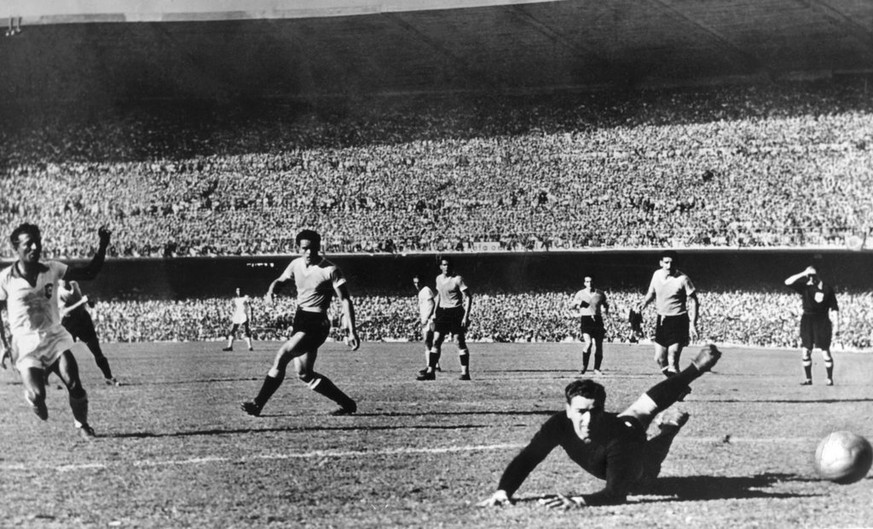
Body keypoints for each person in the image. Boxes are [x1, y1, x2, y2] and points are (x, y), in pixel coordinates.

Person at [477, 344, 722, 509]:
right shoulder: (559, 425)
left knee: (644, 474)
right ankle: (694, 371)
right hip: (623, 427)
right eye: (580, 412)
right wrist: (503, 490)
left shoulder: (621, 441)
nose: (587, 420)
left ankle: (669, 430)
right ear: (568, 410)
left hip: (631, 447)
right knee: (640, 409)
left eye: (594, 412)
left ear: (603, 411)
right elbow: (529, 457)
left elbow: (616, 493)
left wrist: (579, 500)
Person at [0, 223, 111, 439]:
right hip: (25, 344)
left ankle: (83, 425)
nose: (34, 246)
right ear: (16, 248)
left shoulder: (52, 269)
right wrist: (3, 345)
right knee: (38, 394)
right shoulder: (5, 278)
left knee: (74, 383)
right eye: (28, 243)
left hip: (53, 337)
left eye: (37, 242)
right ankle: (34, 399)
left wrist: (103, 245)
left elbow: (89, 272)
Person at [241, 229, 360, 417]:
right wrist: (272, 291)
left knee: (282, 356)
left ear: (318, 247)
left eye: (313, 248)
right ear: (299, 248)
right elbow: (280, 281)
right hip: (300, 319)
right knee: (304, 373)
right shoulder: (295, 264)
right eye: (305, 248)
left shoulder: (330, 270)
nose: (309, 252)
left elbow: (345, 300)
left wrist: (352, 331)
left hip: (316, 322)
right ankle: (347, 404)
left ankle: (258, 403)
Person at [638, 250, 699, 377]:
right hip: (662, 320)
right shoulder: (656, 275)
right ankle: (680, 386)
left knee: (672, 358)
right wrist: (643, 303)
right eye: (666, 262)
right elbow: (651, 293)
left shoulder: (683, 279)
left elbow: (694, 301)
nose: (669, 266)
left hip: (678, 320)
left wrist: (693, 324)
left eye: (672, 262)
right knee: (659, 359)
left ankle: (676, 392)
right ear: (661, 263)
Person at [416, 256, 473, 381]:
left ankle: (465, 373)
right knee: (436, 341)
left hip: (456, 312)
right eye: (444, 265)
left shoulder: (458, 279)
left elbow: (468, 297)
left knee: (459, 341)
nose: (446, 267)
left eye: (448, 265)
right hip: (442, 312)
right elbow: (439, 296)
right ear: (441, 267)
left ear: (451, 266)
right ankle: (431, 371)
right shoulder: (438, 279)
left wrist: (465, 316)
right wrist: (434, 313)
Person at [784, 265, 839, 386]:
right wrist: (803, 273)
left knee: (825, 351)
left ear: (819, 275)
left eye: (813, 275)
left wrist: (837, 326)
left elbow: (834, 308)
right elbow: (787, 282)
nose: (811, 278)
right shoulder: (804, 287)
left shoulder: (827, 288)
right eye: (809, 275)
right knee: (805, 350)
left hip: (822, 320)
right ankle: (808, 379)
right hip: (807, 320)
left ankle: (829, 379)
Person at [57, 279, 119, 386]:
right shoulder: (58, 292)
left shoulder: (74, 284)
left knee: (96, 350)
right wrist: (81, 302)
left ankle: (109, 377)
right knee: (61, 352)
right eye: (62, 277)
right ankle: (46, 376)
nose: (65, 278)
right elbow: (65, 311)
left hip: (83, 319)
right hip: (70, 322)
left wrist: (89, 302)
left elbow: (83, 301)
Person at [569, 275, 610, 375]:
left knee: (599, 346)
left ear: (594, 282)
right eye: (587, 282)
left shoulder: (600, 293)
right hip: (586, 319)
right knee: (588, 344)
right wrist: (578, 304)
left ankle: (596, 369)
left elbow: (605, 304)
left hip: (597, 320)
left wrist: (606, 311)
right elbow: (571, 306)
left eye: (591, 281)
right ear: (584, 283)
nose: (589, 284)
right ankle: (584, 367)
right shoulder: (580, 293)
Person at [412, 274, 440, 375]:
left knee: (428, 343)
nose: (416, 284)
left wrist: (427, 318)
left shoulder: (425, 290)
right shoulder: (421, 292)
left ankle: (430, 365)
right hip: (427, 320)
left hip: (430, 320)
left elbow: (432, 304)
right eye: (415, 282)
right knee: (431, 343)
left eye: (418, 282)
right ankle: (434, 365)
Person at [223, 287, 254, 352]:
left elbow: (251, 306)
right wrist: (232, 315)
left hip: (244, 315)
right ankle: (229, 347)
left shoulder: (245, 297)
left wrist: (251, 315)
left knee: (246, 331)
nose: (238, 291)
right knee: (232, 331)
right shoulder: (235, 299)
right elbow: (235, 308)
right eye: (237, 290)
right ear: (236, 291)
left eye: (240, 290)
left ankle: (250, 347)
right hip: (237, 316)